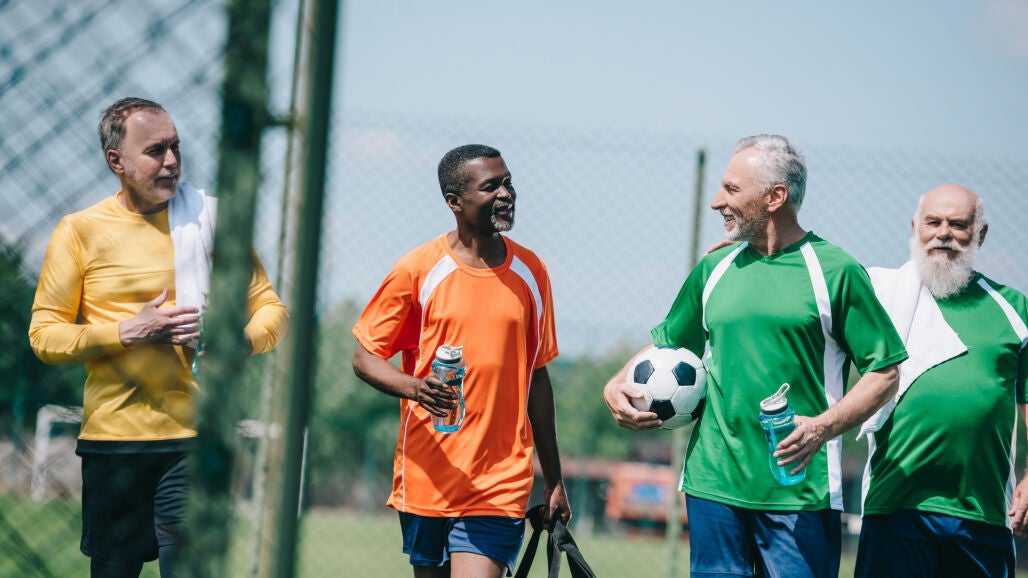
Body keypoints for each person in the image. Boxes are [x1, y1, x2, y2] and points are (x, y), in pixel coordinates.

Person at [603, 134, 908, 577]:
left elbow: (885, 373)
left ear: (774, 197)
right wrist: (617, 381)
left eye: (731, 189)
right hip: (713, 486)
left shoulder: (836, 272)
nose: (716, 202)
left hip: (799, 490)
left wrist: (821, 428)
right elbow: (670, 345)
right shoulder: (714, 268)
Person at [28, 97, 288, 578]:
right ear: (117, 161)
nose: (171, 161)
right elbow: (44, 336)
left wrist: (242, 342)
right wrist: (127, 331)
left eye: (176, 147)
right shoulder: (79, 231)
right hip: (114, 442)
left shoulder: (212, 222)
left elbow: (271, 309)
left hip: (196, 438)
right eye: (155, 151)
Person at [351, 144, 570, 578]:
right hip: (428, 475)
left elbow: (537, 378)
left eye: (508, 182)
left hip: (499, 481)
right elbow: (364, 357)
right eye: (491, 187)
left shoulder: (532, 272)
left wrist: (554, 478)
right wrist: (415, 387)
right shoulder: (417, 270)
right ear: (455, 201)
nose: (506, 193)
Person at [855, 185, 1028, 578]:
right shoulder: (877, 293)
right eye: (933, 222)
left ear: (980, 233)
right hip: (894, 505)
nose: (944, 233)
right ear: (915, 227)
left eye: (958, 224)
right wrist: (748, 254)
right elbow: (810, 291)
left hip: (982, 513)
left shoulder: (1015, 309)